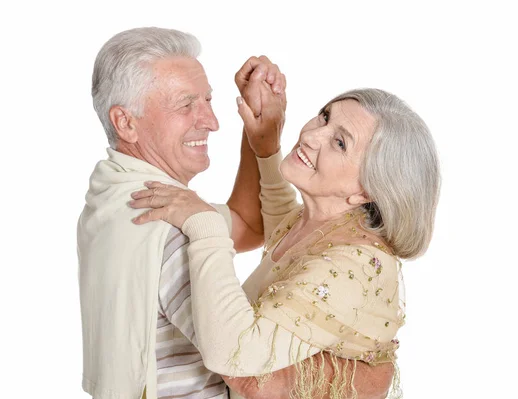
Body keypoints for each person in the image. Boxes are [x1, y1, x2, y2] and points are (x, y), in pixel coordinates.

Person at [78, 26, 394, 399]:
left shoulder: (116, 194)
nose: (211, 121)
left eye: (208, 99)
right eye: (185, 104)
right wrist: (375, 374)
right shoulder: (173, 228)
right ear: (125, 122)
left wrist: (260, 139)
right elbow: (247, 371)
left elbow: (251, 224)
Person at [129, 77, 441, 397]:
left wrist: (204, 224)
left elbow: (233, 356)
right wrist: (267, 147)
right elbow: (282, 225)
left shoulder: (354, 265)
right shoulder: (324, 222)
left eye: (340, 142)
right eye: (324, 116)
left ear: (366, 190)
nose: (311, 135)